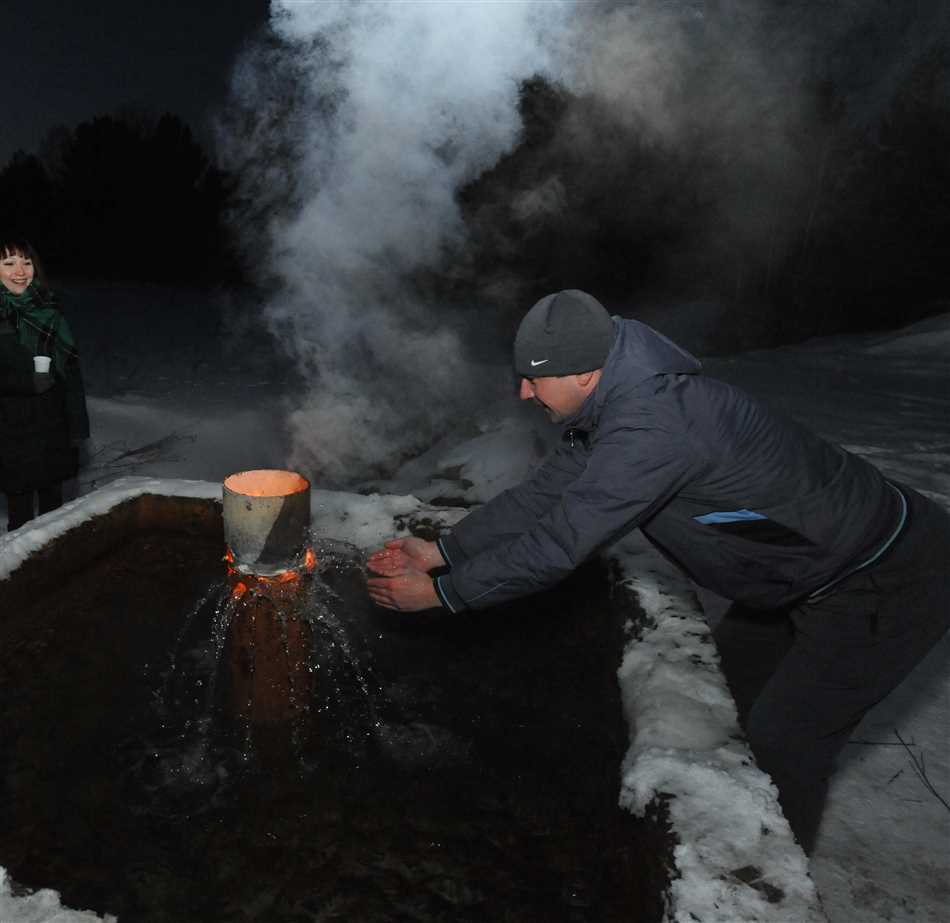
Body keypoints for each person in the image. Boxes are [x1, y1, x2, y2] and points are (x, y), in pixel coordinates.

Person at [367, 288, 950, 855]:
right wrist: (446, 551)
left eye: (533, 378)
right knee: (725, 702)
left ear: (583, 375)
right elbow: (546, 493)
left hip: (883, 575)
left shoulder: (650, 430)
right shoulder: (616, 399)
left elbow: (560, 542)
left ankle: (758, 887)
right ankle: (716, 833)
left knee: (786, 740)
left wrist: (445, 594)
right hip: (794, 571)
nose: (522, 392)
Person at [0, 236, 89, 531]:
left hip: (53, 428)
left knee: (55, 517)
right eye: (8, 262)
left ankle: (57, 570)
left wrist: (77, 425)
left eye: (26, 262)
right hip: (11, 431)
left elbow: (71, 373)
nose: (20, 271)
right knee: (21, 521)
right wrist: (27, 383)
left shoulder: (49, 310)